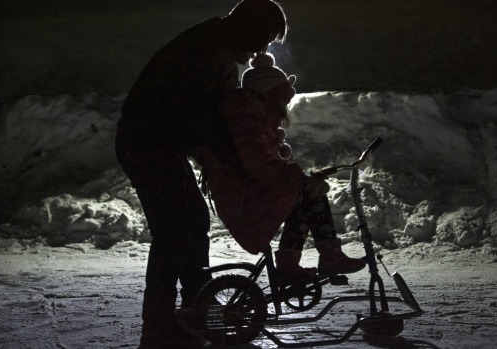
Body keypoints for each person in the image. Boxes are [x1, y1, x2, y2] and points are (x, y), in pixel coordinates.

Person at [114, 1, 288, 348]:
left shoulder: (216, 47)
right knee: (176, 229)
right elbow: (201, 117)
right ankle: (160, 324)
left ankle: (196, 306)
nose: (260, 51)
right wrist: (239, 162)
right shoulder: (206, 51)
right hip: (148, 145)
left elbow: (213, 116)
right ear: (250, 28)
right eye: (264, 39)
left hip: (162, 145)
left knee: (193, 221)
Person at [197, 52, 366, 280]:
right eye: (283, 101)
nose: (285, 108)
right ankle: (326, 257)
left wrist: (291, 171)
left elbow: (264, 164)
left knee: (304, 195)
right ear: (270, 97)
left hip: (247, 193)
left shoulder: (253, 116)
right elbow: (260, 164)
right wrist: (297, 178)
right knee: (308, 194)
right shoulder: (247, 118)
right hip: (243, 199)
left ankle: (295, 263)